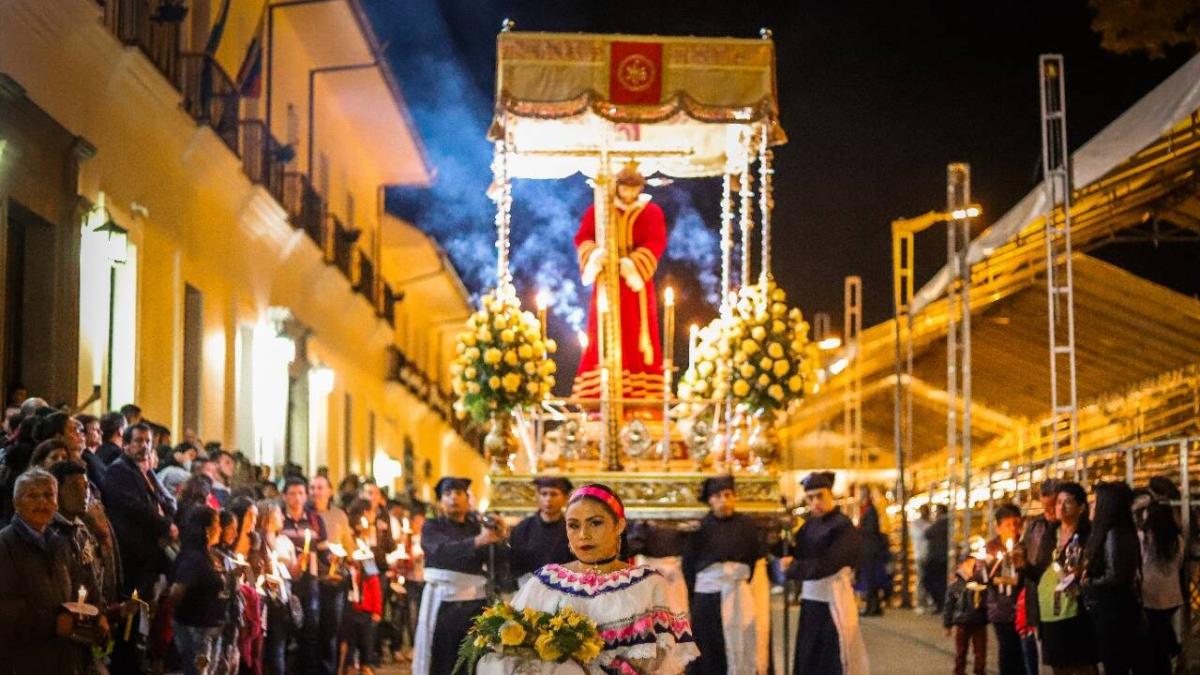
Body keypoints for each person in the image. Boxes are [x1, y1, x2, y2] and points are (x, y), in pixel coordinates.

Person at [477, 483, 699, 675]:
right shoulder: (544, 583)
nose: (583, 534)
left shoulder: (648, 584)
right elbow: (508, 651)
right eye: (574, 525)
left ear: (619, 525)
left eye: (595, 523)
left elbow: (670, 664)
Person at [572, 161, 668, 399]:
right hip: (606, 281)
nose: (629, 193)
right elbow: (583, 237)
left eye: (633, 188)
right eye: (625, 187)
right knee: (602, 331)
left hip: (636, 284)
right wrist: (595, 255)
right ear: (617, 186)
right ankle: (601, 393)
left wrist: (633, 264)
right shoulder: (600, 210)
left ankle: (641, 397)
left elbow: (656, 241)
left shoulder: (651, 212)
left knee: (637, 334)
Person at [0, 468, 96, 674]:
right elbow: (6, 608)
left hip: (64, 658)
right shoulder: (5, 545)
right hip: (23, 660)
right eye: (33, 496)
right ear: (17, 503)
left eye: (48, 495)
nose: (42, 502)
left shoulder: (61, 544)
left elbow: (80, 587)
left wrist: (95, 614)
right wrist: (52, 624)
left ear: (56, 503)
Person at [412, 476, 509, 675]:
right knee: (444, 658)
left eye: (458, 493)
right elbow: (441, 551)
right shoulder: (432, 526)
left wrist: (500, 537)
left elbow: (497, 561)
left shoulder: (478, 526)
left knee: (475, 659)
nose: (453, 498)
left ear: (467, 498)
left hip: (476, 603)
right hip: (445, 606)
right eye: (447, 494)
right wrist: (477, 541)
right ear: (440, 500)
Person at [683, 474, 767, 675]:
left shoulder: (746, 525)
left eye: (728, 494)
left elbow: (753, 559)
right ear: (710, 500)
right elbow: (689, 566)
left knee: (742, 641)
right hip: (708, 597)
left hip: (737, 593)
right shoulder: (700, 527)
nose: (724, 500)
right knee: (709, 647)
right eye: (718, 496)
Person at [785, 471, 868, 675]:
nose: (815, 502)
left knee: (831, 657)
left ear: (831, 494)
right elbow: (796, 551)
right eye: (810, 498)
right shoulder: (809, 525)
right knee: (809, 656)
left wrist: (794, 568)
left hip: (833, 601)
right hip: (811, 602)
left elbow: (830, 563)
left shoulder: (843, 526)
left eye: (820, 496)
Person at [1030, 481, 1096, 674]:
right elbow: (1041, 572)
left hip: (1076, 610)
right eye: (1059, 502)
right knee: (1058, 666)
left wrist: (1081, 572)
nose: (1061, 506)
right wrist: (1023, 566)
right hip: (1051, 610)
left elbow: (1095, 568)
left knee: (1081, 664)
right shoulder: (1050, 534)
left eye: (1068, 502)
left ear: (1081, 507)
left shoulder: (1088, 535)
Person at [1080, 481, 1142, 675]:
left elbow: (1115, 575)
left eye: (1095, 502)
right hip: (1108, 608)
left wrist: (1088, 582)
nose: (1091, 506)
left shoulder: (1115, 533)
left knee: (1115, 665)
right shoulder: (1107, 532)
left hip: (1114, 611)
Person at [280, 476, 331, 675]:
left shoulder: (314, 521)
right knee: (287, 628)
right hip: (285, 581)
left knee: (310, 627)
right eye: (292, 493)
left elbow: (324, 551)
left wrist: (334, 559)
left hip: (309, 581)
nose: (297, 498)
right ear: (284, 496)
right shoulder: (280, 520)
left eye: (301, 493)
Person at [170, 505, 229, 675]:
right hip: (196, 629)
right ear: (207, 529)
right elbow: (176, 591)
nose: (220, 528)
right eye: (217, 523)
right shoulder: (193, 558)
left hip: (210, 629)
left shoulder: (208, 555)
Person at [1136, 495, 1183, 675]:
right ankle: (1172, 652)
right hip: (1172, 596)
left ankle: (1170, 653)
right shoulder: (1177, 540)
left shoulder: (1143, 538)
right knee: (1161, 632)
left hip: (1150, 596)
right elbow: (1179, 564)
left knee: (1153, 639)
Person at [1018, 478, 1058, 674]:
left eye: (1053, 505)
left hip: (1058, 601)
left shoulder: (1065, 528)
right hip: (1035, 597)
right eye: (1044, 506)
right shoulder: (1035, 526)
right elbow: (1024, 551)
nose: (1049, 511)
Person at [340, 499, 384, 675]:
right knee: (350, 640)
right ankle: (350, 665)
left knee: (366, 641)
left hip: (365, 609)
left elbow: (374, 584)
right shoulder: (347, 553)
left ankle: (366, 665)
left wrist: (377, 610)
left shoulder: (366, 556)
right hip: (350, 607)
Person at [509, 475, 574, 587]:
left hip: (564, 588)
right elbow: (514, 562)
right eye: (544, 494)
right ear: (537, 497)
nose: (548, 499)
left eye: (553, 494)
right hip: (528, 587)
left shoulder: (571, 528)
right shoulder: (523, 528)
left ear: (565, 498)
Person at [985, 504, 1025, 675]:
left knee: (1024, 653)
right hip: (1001, 609)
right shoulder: (991, 548)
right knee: (1007, 650)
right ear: (998, 527)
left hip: (1023, 608)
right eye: (1008, 525)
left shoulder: (1024, 546)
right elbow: (983, 577)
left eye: (1016, 523)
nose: (1013, 529)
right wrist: (990, 571)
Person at [944, 552, 989, 675]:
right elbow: (949, 605)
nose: (971, 566)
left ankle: (979, 671)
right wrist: (947, 625)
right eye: (968, 563)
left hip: (979, 621)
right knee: (961, 651)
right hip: (962, 622)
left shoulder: (980, 580)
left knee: (980, 651)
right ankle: (959, 671)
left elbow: (986, 595)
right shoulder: (955, 584)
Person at [855, 487, 889, 617]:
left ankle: (871, 607)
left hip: (869, 549)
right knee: (871, 579)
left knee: (870, 579)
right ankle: (875, 607)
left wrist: (858, 531)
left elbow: (870, 529)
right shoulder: (868, 509)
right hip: (869, 548)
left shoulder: (869, 510)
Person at [923, 504, 949, 613]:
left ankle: (940, 604)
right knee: (939, 581)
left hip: (937, 557)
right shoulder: (945, 523)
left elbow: (927, 533)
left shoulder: (942, 523)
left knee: (929, 580)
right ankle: (940, 604)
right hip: (940, 557)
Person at [909, 504, 933, 613]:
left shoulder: (930, 523)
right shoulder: (917, 524)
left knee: (928, 579)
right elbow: (922, 535)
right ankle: (921, 603)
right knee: (921, 579)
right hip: (921, 554)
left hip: (928, 554)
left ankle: (928, 601)